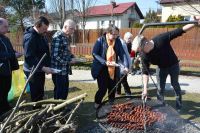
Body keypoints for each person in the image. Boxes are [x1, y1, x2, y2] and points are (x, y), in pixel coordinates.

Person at [132, 17, 200, 110]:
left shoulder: (161, 39)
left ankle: (179, 104)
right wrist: (145, 90)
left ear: (146, 43)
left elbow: (180, 30)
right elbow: (145, 73)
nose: (141, 53)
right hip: (161, 68)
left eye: (141, 50)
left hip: (174, 65)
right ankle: (160, 107)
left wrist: (195, 23)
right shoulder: (143, 55)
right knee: (160, 88)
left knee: (175, 84)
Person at [91, 25, 129, 108]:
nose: (115, 36)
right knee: (103, 89)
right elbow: (95, 54)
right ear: (108, 33)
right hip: (101, 68)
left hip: (113, 68)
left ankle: (111, 104)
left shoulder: (117, 41)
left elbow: (122, 54)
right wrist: (105, 62)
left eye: (117, 35)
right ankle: (97, 104)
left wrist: (126, 66)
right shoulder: (100, 40)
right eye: (114, 34)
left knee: (112, 88)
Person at [23, 16, 53, 102]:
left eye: (47, 28)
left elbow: (44, 51)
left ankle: (39, 110)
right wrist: (43, 68)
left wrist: (47, 66)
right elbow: (30, 57)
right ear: (37, 25)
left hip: (39, 69)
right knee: (36, 94)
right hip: (32, 70)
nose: (46, 31)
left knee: (40, 92)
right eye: (44, 28)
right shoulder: (30, 37)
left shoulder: (41, 35)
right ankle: (36, 112)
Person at [0, 18, 23, 115]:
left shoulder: (5, 38)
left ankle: (5, 106)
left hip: (8, 70)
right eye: (5, 26)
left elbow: (10, 50)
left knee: (6, 88)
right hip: (1, 71)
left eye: (7, 26)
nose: (7, 28)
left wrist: (15, 52)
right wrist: (13, 55)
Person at [51, 19, 76, 100]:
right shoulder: (58, 37)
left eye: (74, 29)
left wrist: (72, 56)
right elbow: (55, 55)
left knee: (64, 90)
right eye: (72, 28)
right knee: (60, 91)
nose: (73, 31)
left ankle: (62, 108)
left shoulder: (65, 37)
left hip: (64, 70)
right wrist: (68, 61)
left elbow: (65, 51)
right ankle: (58, 109)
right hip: (58, 70)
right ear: (65, 27)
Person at [116, 32, 132, 96]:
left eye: (130, 38)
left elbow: (127, 56)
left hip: (124, 64)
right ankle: (118, 92)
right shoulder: (121, 43)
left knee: (123, 80)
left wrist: (128, 66)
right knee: (117, 79)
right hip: (118, 64)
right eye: (129, 38)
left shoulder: (124, 44)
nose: (130, 40)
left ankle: (128, 93)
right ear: (125, 38)